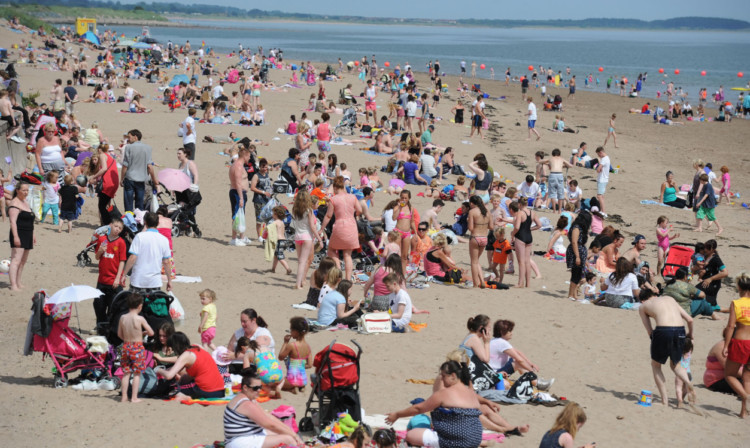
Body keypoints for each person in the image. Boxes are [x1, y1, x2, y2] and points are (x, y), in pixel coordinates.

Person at [385, 360, 483, 448]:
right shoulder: (471, 393)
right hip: (475, 440)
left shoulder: (445, 393)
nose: (442, 380)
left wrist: (397, 415)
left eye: (444, 376)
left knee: (411, 435)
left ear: (453, 376)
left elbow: (419, 409)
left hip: (455, 442)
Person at [638, 289, 696, 408]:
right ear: (654, 295)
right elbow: (690, 319)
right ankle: (688, 383)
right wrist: (690, 334)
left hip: (663, 330)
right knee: (676, 365)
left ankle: (665, 401)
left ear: (643, 300)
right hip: (680, 330)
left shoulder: (644, 306)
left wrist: (656, 341)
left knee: (656, 365)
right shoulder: (670, 299)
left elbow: (650, 331)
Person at [223, 366, 303, 448]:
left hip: (248, 435)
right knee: (288, 439)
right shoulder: (246, 404)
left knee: (284, 434)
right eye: (255, 388)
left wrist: (290, 431)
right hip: (239, 441)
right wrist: (294, 435)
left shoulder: (248, 399)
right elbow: (270, 425)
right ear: (245, 387)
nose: (258, 390)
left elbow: (268, 416)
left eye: (260, 387)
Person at [156, 332, 225, 400]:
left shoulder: (186, 355)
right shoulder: (198, 347)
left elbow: (169, 376)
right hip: (220, 390)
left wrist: (158, 369)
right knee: (183, 381)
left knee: (171, 390)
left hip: (206, 391)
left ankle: (183, 396)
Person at [321, 176, 362, 281]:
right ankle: (348, 280)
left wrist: (321, 229)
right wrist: (355, 215)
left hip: (340, 225)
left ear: (335, 188)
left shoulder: (333, 199)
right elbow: (360, 210)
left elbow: (328, 216)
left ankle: (338, 269)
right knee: (347, 255)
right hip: (351, 225)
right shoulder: (352, 197)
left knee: (331, 249)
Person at [123, 211, 173, 294]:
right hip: (154, 282)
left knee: (135, 306)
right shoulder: (164, 239)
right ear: (158, 223)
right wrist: (169, 280)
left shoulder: (139, 236)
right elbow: (166, 262)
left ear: (145, 222)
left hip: (138, 280)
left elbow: (132, 257)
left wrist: (124, 275)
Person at [117, 292, 154, 403]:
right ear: (140, 306)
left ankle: (123, 397)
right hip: (137, 347)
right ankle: (134, 397)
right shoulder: (140, 319)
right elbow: (151, 332)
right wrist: (142, 333)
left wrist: (127, 338)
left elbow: (119, 334)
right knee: (137, 373)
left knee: (126, 373)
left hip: (126, 345)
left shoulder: (123, 317)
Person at [723, 272, 750, 418]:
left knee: (729, 375)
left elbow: (730, 326)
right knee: (747, 377)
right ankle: (743, 412)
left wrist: (726, 345)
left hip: (741, 342)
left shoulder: (736, 303)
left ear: (739, 286)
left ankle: (745, 395)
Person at [93, 217, 127, 329]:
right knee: (98, 305)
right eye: (116, 226)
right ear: (110, 225)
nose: (117, 229)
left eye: (120, 228)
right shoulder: (102, 239)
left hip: (114, 281)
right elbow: (97, 257)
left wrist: (118, 278)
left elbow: (122, 261)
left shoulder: (121, 242)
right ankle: (100, 326)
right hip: (102, 280)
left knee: (114, 307)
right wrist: (100, 251)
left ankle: (109, 327)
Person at [291, 190, 323, 289]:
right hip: (306, 237)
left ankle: (298, 282)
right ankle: (298, 283)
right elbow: (312, 227)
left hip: (297, 236)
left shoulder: (295, 209)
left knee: (300, 261)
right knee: (303, 262)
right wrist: (319, 239)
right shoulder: (309, 210)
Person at [120, 129, 158, 213]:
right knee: (139, 204)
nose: (128, 139)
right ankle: (139, 222)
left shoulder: (129, 147)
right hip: (141, 179)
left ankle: (129, 222)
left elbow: (125, 165)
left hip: (129, 178)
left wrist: (122, 178)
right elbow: (149, 166)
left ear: (135, 137)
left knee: (128, 204)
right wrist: (154, 179)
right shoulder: (148, 148)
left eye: (129, 137)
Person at [7, 182, 34, 291]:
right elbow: (12, 222)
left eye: (27, 190)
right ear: (18, 190)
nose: (26, 192)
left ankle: (18, 282)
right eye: (24, 190)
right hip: (18, 233)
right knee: (16, 260)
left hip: (28, 233)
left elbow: (31, 221)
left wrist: (33, 235)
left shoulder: (25, 202)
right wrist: (16, 237)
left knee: (23, 261)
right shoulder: (14, 203)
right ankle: (13, 285)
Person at [509, 199, 542, 288]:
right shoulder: (532, 213)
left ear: (519, 204)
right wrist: (530, 229)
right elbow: (539, 225)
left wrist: (512, 234)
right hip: (529, 237)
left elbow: (517, 227)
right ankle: (528, 283)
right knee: (527, 261)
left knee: (521, 262)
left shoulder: (520, 213)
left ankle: (520, 283)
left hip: (521, 237)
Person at [277, 317, 312, 393]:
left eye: (291, 330)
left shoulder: (291, 345)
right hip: (303, 380)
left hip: (292, 380)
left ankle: (291, 389)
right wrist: (299, 365)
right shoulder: (308, 347)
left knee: (271, 383)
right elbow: (309, 365)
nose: (290, 332)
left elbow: (280, 357)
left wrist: (285, 342)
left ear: (296, 331)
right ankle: (300, 387)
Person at [91, 143, 119, 225]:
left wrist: (93, 177)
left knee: (102, 206)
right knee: (105, 205)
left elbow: (104, 168)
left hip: (108, 183)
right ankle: (107, 223)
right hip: (113, 182)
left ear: (99, 150)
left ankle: (108, 224)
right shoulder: (110, 156)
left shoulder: (102, 155)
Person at [566, 212, 592, 300]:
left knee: (579, 273)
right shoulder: (576, 228)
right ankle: (571, 294)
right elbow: (574, 242)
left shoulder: (579, 228)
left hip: (580, 251)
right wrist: (577, 256)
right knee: (575, 273)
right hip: (576, 252)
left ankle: (573, 294)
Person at [467, 195, 492, 288]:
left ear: (472, 203)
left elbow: (470, 228)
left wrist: (468, 221)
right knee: (477, 261)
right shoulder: (487, 211)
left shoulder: (472, 212)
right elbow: (491, 227)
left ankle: (475, 284)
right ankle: (481, 281)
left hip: (475, 237)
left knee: (473, 262)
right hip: (484, 238)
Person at [697, 239, 729, 310]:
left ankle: (731, 310)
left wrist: (710, 279)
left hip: (712, 284)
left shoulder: (716, 259)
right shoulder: (705, 256)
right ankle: (729, 309)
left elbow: (725, 272)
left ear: (712, 249)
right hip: (705, 283)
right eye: (704, 247)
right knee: (711, 306)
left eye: (707, 248)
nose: (705, 249)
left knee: (695, 293)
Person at [230, 147, 252, 246]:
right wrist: (241, 198)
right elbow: (238, 183)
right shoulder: (238, 166)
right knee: (236, 216)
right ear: (245, 155)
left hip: (239, 192)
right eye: (249, 156)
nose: (249, 158)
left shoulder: (238, 165)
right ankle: (234, 238)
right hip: (237, 192)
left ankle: (242, 238)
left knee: (241, 215)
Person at [594, 146, 610, 215]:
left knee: (599, 196)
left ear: (601, 152)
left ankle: (603, 212)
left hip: (602, 179)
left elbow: (598, 169)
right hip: (605, 179)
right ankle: (602, 210)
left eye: (598, 154)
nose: (598, 156)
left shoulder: (604, 159)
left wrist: (597, 168)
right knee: (601, 196)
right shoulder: (607, 158)